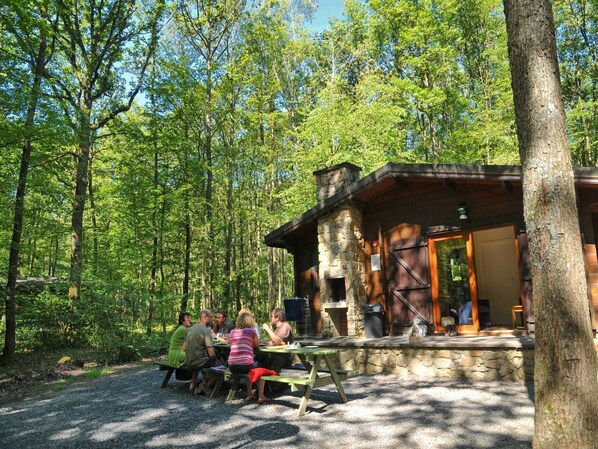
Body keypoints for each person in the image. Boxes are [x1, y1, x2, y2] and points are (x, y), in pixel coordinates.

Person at [255, 308, 295, 404]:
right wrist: (263, 342)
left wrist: (267, 329)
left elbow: (278, 341)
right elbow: (274, 342)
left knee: (271, 361)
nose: (270, 318)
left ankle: (277, 385)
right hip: (275, 353)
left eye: (271, 316)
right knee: (257, 357)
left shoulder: (285, 326)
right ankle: (264, 386)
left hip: (285, 356)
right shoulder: (277, 328)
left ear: (277, 317)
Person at [227, 312, 260, 401]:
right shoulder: (252, 331)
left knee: (248, 366)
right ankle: (260, 393)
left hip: (232, 366)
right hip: (246, 365)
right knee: (259, 365)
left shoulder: (232, 332)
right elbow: (257, 345)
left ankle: (250, 394)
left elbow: (229, 343)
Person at [185, 309, 220, 394]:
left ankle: (193, 385)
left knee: (202, 358)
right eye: (211, 317)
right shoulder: (206, 330)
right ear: (206, 317)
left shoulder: (190, 329)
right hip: (199, 362)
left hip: (189, 361)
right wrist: (217, 361)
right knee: (220, 367)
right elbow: (211, 352)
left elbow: (184, 348)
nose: (212, 319)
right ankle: (204, 386)